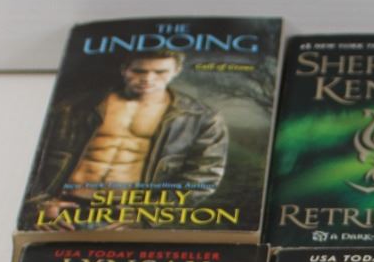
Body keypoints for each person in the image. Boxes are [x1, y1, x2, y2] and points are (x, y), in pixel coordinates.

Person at [24, 50, 228, 225]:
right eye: (139, 71)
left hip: (126, 213)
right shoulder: (73, 107)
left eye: (160, 72)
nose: (148, 79)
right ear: (124, 69)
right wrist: (39, 203)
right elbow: (34, 154)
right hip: (63, 206)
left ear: (176, 71)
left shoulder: (201, 117)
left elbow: (204, 176)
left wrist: (148, 214)